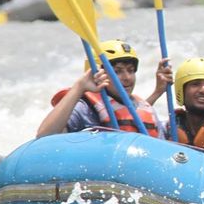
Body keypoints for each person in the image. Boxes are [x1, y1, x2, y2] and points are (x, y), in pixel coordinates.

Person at [37, 39, 172, 138]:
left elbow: (131, 119)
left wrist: (157, 92)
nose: (127, 77)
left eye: (131, 71)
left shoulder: (143, 107)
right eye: (117, 71)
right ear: (96, 74)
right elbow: (44, 136)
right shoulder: (85, 108)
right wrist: (80, 86)